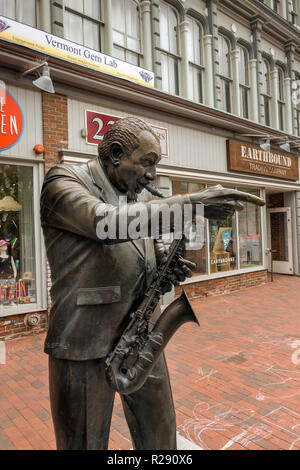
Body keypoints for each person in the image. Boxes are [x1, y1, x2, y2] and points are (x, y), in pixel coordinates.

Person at [40, 116, 264, 450]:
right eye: (147, 163)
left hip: (142, 337)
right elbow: (104, 224)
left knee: (161, 439)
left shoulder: (136, 195)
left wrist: (161, 262)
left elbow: (138, 247)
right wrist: (191, 204)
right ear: (116, 153)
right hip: (84, 342)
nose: (152, 175)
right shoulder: (63, 180)